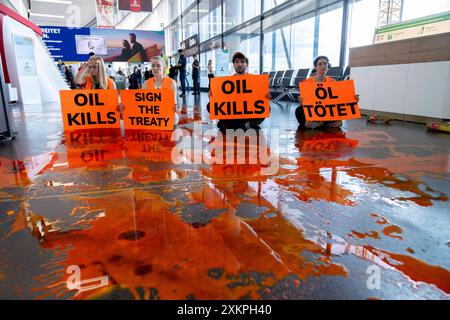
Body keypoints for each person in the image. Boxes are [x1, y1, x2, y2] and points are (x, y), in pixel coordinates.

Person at [207, 52, 269, 130]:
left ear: (247, 64)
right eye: (236, 62)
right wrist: (213, 95)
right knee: (210, 106)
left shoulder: (254, 79)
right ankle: (234, 125)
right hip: (234, 114)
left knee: (267, 107)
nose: (239, 64)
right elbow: (222, 99)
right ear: (233, 64)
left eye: (242, 61)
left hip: (247, 114)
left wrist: (265, 97)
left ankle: (239, 125)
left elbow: (260, 97)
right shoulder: (228, 81)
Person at [295, 56, 359, 129]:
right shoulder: (307, 82)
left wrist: (352, 99)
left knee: (334, 113)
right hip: (315, 110)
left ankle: (318, 122)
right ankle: (323, 122)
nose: (323, 66)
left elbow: (339, 100)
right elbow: (304, 104)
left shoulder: (332, 82)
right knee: (299, 111)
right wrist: (301, 101)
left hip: (326, 111)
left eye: (325, 63)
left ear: (328, 66)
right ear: (315, 67)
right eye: (320, 64)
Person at [120, 56, 178, 126]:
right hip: (151, 114)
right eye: (153, 66)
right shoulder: (146, 83)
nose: (155, 68)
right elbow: (139, 102)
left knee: (174, 119)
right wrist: (125, 105)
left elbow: (174, 102)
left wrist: (174, 107)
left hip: (165, 113)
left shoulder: (172, 83)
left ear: (164, 67)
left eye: (158, 66)